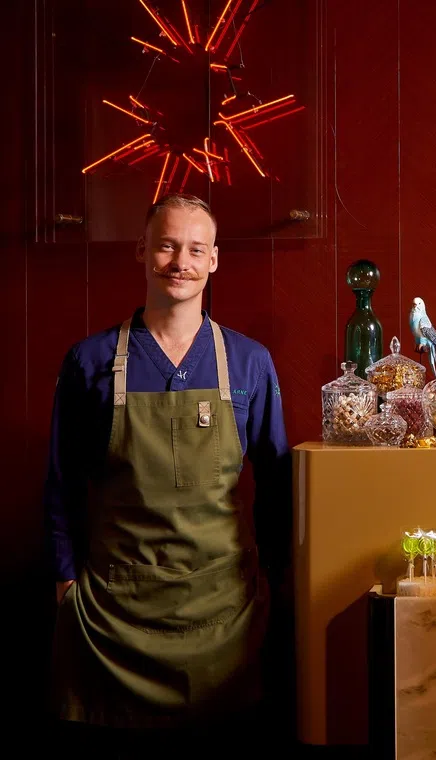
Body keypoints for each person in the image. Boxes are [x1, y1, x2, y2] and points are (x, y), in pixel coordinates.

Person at [45, 194, 291, 748]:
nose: (181, 262)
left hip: (225, 608)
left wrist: (276, 580)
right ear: (142, 250)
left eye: (196, 249)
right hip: (113, 609)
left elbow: (277, 483)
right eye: (167, 246)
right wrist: (64, 578)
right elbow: (62, 480)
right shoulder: (89, 361)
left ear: (214, 260)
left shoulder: (249, 362)